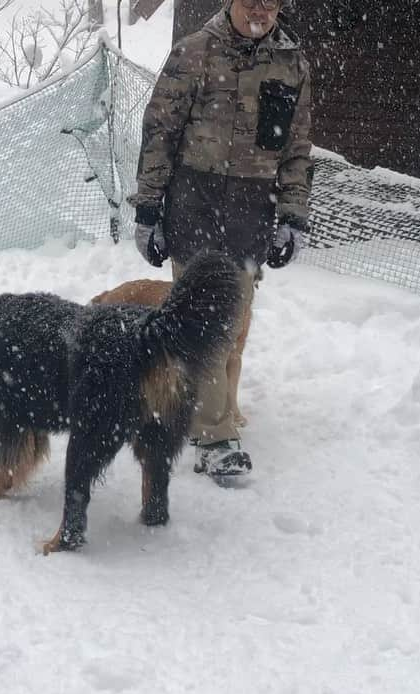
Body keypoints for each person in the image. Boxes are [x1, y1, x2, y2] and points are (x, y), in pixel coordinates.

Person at [127, 0, 313, 482]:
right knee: (206, 323)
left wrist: (292, 216)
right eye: (252, 0)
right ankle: (215, 437)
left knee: (232, 328)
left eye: (271, 2)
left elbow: (296, 149)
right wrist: (149, 209)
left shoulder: (291, 64)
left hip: (252, 213)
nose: (261, 10)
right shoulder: (193, 52)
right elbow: (159, 134)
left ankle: (204, 410)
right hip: (195, 208)